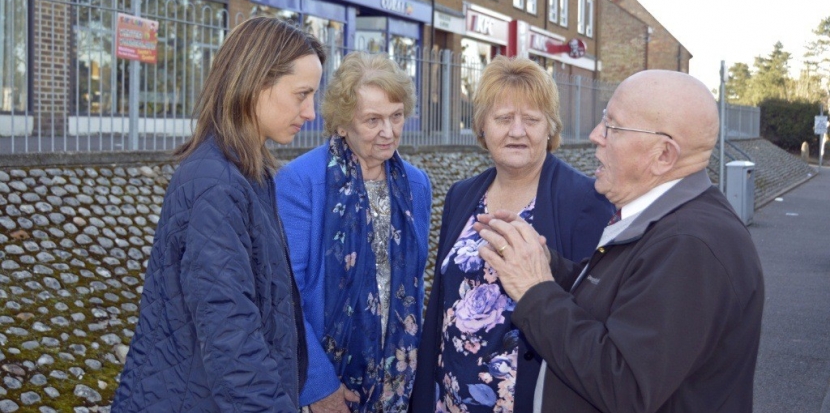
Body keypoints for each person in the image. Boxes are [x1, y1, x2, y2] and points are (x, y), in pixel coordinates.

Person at [475, 69, 765, 413]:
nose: (596, 135)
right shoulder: (667, 221)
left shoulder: (691, 247)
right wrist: (544, 263)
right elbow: (614, 302)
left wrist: (535, 291)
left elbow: (624, 386)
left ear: (663, 156)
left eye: (612, 126)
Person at [112, 17, 325, 412]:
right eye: (302, 94)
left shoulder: (247, 174)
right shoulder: (216, 183)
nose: (311, 112)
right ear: (256, 82)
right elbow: (232, 337)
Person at [411, 56, 614, 412]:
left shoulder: (586, 201)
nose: (517, 131)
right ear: (482, 127)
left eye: (532, 120)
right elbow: (442, 301)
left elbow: (593, 317)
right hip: (450, 397)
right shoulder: (462, 194)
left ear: (550, 128)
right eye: (503, 119)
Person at [275, 52, 432, 413]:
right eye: (373, 120)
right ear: (343, 124)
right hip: (325, 382)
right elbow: (286, 296)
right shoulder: (301, 182)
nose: (388, 132)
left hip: (398, 381)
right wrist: (318, 387)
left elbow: (415, 283)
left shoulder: (416, 186)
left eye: (396, 116)